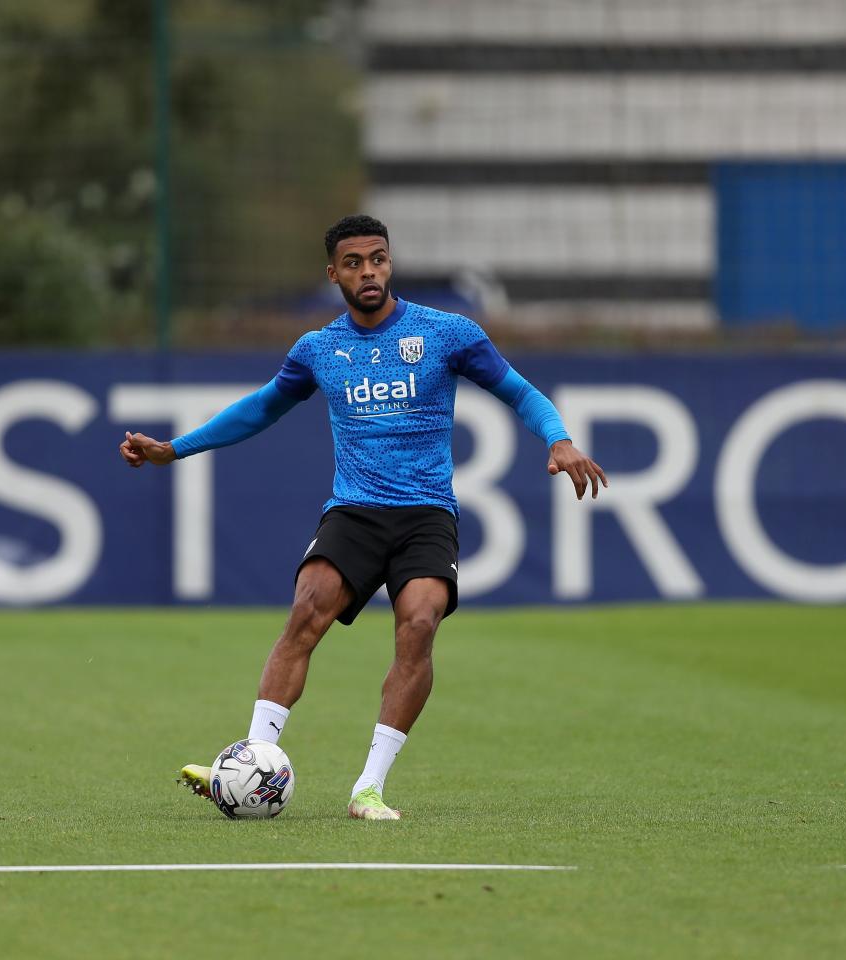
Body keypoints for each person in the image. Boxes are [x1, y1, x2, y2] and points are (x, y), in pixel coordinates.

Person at [120, 215, 607, 820]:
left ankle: (369, 788)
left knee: (420, 623)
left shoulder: (446, 333)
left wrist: (557, 438)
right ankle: (252, 762)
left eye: (377, 259)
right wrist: (175, 449)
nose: (368, 271)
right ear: (333, 274)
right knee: (306, 610)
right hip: (354, 511)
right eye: (353, 263)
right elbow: (259, 410)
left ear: (390, 263)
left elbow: (520, 392)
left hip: (427, 513)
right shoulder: (319, 349)